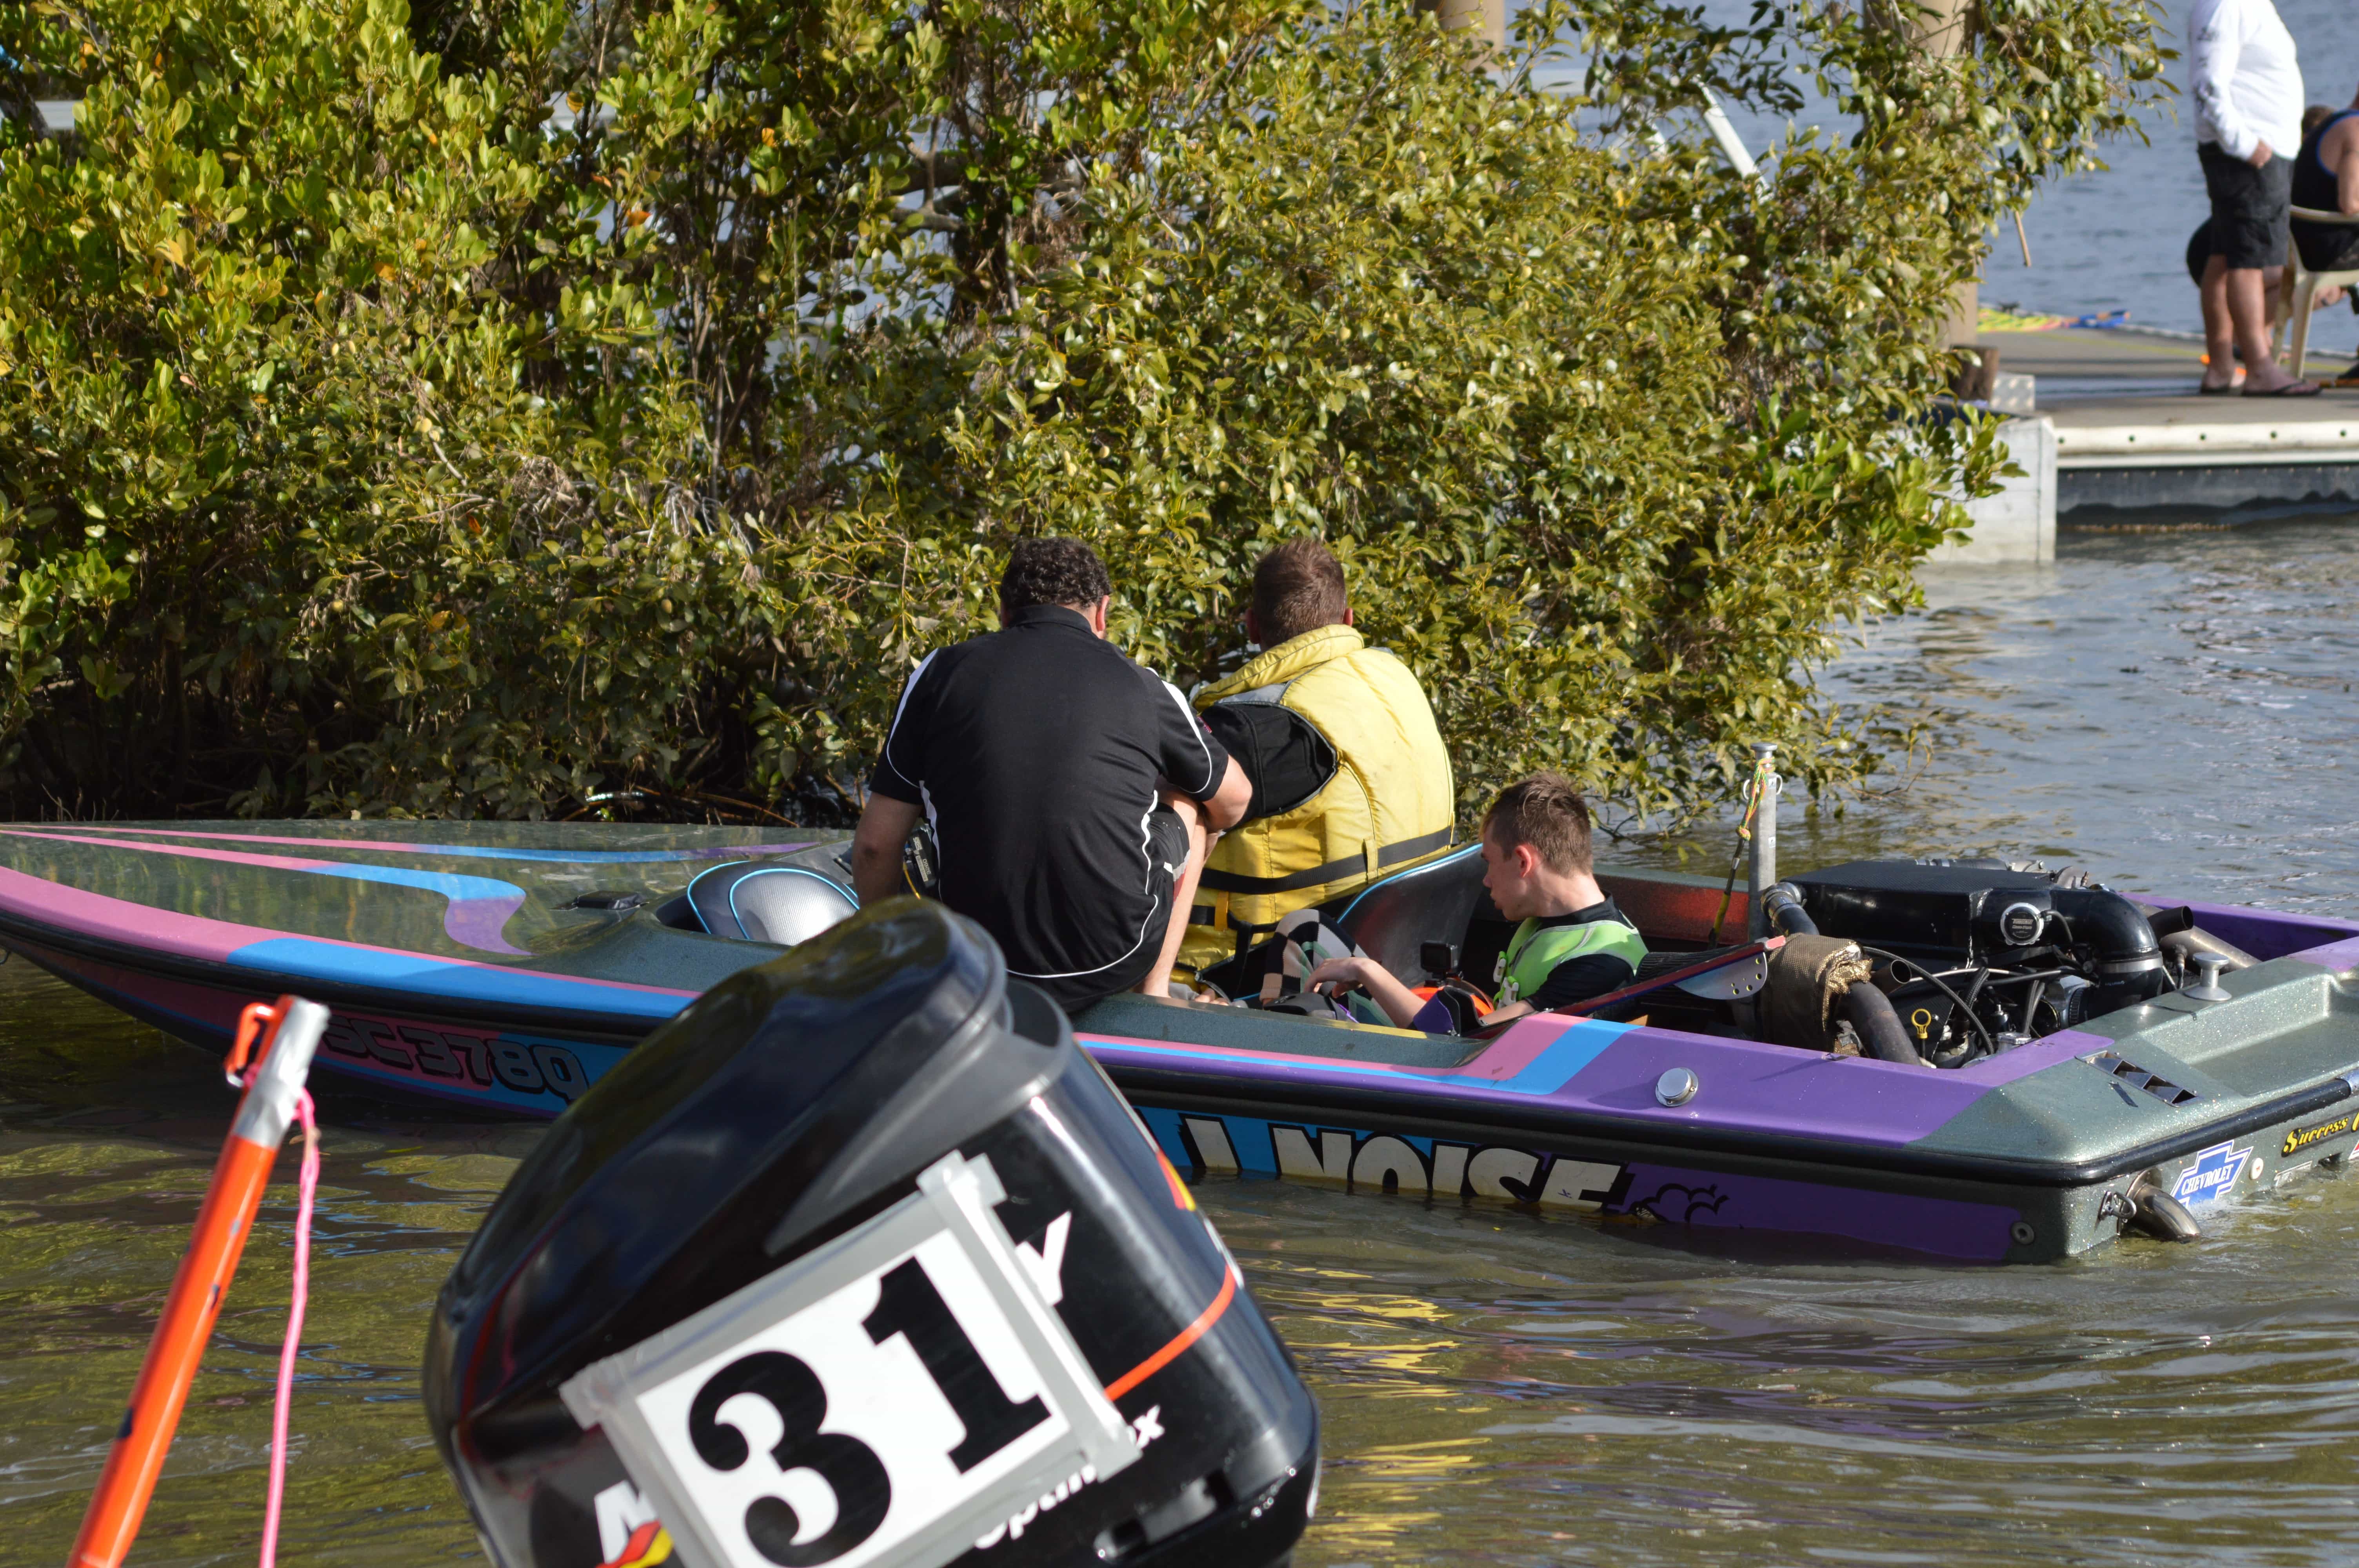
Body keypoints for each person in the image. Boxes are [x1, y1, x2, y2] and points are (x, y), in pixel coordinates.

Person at [850, 538, 1251, 1010]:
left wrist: (888, 959)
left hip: (976, 961)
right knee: (1191, 797)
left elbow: (876, 846)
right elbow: (1235, 801)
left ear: (1003, 612)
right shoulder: (1144, 685)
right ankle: (1155, 996)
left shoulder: (939, 672)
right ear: (1103, 614)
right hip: (1114, 957)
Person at [1176, 539, 1455, 982]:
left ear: (1251, 627)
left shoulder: (1251, 727)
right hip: (1401, 958)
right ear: (1347, 619)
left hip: (1251, 977)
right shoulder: (1397, 681)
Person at [1303, 773, 1647, 1033]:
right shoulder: (1555, 919)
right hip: (1481, 1070)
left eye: (1489, 862)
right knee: (1308, 936)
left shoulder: (1600, 968)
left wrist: (1369, 971)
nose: (1486, 881)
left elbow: (1458, 1037)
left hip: (1481, 1089)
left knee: (1305, 935)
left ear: (1523, 862)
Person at [2190, 0, 2317, 395]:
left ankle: (2222, 367)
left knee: (2226, 256)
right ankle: (2260, 368)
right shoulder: (2226, 5)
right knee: (2251, 259)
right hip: (2250, 155)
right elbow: (2207, 84)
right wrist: (2244, 145)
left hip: (2255, 151)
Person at [2291, 82, 2359, 387]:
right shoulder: (2355, 130)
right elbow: (2352, 203)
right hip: (2326, 245)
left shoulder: (2336, 121)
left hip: (2306, 237)